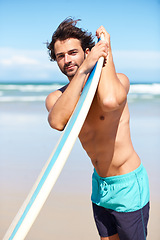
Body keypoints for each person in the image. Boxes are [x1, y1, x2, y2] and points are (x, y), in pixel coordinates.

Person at [46, 18, 150, 240]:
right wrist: (84, 69)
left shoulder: (120, 81)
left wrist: (106, 50)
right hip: (100, 185)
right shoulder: (58, 98)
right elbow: (57, 122)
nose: (67, 60)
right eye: (60, 56)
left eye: (73, 53)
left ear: (87, 51)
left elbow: (110, 101)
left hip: (128, 185)